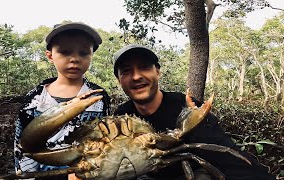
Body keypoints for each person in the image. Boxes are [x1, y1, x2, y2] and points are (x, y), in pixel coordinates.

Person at [113, 44, 275, 180]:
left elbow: (226, 156)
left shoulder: (186, 109)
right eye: (126, 71)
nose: (136, 76)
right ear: (119, 80)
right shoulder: (122, 116)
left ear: (157, 72)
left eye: (144, 67)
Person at [14, 22, 110, 180]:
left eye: (84, 53)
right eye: (65, 52)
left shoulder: (98, 96)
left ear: (92, 56)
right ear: (50, 56)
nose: (75, 59)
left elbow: (104, 138)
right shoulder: (34, 100)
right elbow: (21, 149)